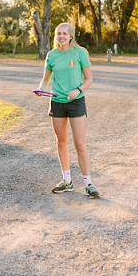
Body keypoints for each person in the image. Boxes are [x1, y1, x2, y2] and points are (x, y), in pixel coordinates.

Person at [34, 23, 99, 198]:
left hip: (76, 101)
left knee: (80, 143)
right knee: (61, 142)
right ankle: (67, 181)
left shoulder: (80, 53)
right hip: (56, 102)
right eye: (58, 34)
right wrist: (41, 89)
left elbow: (89, 79)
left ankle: (88, 184)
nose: (61, 36)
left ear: (71, 36)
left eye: (64, 33)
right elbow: (45, 80)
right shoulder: (52, 56)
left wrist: (77, 90)